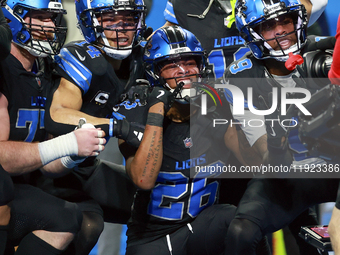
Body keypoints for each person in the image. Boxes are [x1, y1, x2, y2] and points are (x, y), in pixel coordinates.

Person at [119, 25, 270, 255]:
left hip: (203, 228)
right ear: (154, 73)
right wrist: (156, 114)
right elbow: (144, 179)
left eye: (190, 62)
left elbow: (255, 166)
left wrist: (242, 116)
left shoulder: (217, 108)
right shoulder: (135, 112)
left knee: (243, 221)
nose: (184, 71)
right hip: (153, 238)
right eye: (171, 65)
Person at [222, 0, 338, 254]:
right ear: (252, 34)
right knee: (241, 232)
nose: (282, 31)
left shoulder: (327, 53)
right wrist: (283, 136)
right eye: (269, 26)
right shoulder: (242, 77)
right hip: (287, 172)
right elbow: (269, 159)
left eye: (286, 21)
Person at [0, 0, 107, 254]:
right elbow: (1, 159)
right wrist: (66, 143)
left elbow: (47, 162)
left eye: (52, 18)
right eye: (41, 17)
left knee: (88, 220)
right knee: (63, 219)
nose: (50, 26)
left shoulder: (47, 69)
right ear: (12, 18)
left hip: (25, 182)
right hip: (3, 186)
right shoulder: (3, 70)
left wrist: (72, 154)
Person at [44, 0, 148, 254]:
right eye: (110, 19)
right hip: (50, 166)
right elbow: (57, 116)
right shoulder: (81, 56)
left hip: (87, 166)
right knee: (88, 225)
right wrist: (119, 127)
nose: (121, 28)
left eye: (129, 18)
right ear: (91, 23)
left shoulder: (142, 58)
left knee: (159, 204)